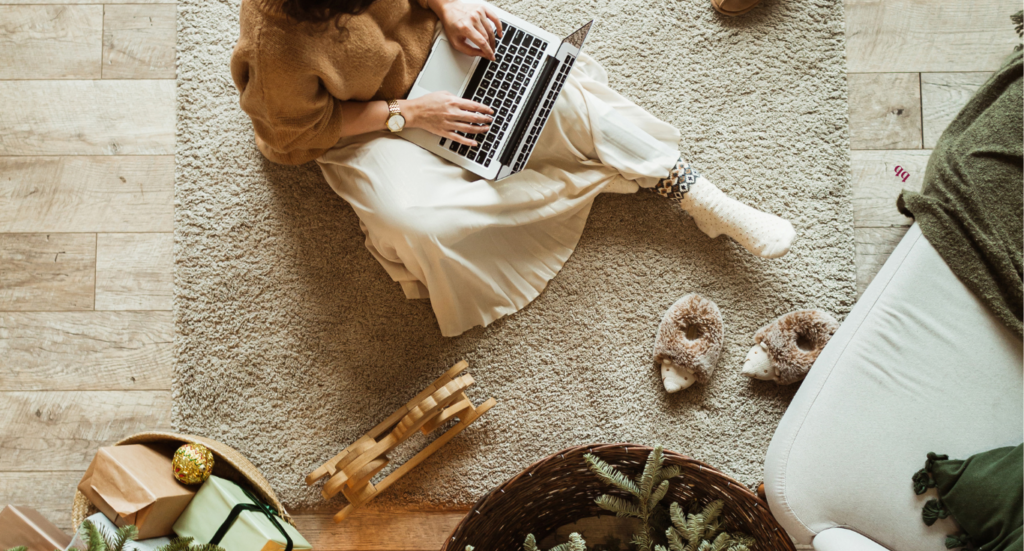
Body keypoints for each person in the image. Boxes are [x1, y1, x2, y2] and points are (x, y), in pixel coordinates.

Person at [230, 0, 797, 337]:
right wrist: (406, 114)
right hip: (364, 126)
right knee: (421, 223)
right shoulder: (274, 42)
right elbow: (291, 137)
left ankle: (695, 193)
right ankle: (599, 178)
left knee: (563, 99)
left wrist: (450, 7)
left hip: (439, 45)